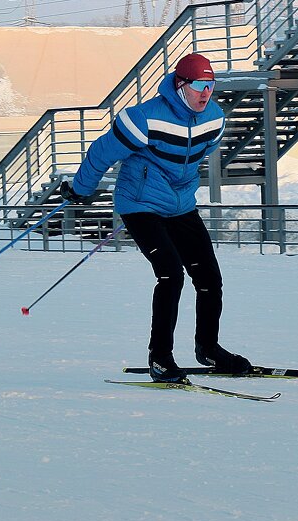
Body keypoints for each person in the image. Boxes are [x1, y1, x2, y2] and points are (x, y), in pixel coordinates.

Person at [61, 52, 252, 382]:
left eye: (211, 85)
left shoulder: (216, 118)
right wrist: (80, 189)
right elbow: (101, 152)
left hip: (180, 205)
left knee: (209, 278)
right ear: (180, 86)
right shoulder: (144, 118)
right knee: (171, 275)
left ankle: (208, 348)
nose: (206, 92)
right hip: (140, 204)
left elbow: (198, 155)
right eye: (198, 85)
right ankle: (160, 358)